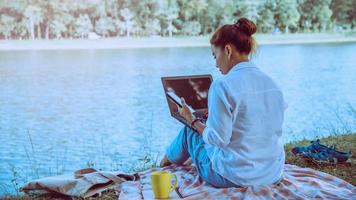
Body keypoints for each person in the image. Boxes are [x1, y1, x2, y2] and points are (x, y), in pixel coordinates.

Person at [160, 17, 286, 188]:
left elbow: (218, 140)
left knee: (189, 131)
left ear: (227, 50)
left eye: (215, 55)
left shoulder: (222, 84)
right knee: (201, 127)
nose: (216, 63)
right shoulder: (272, 83)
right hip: (271, 173)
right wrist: (218, 117)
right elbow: (259, 123)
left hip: (234, 177)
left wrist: (192, 120)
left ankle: (162, 166)